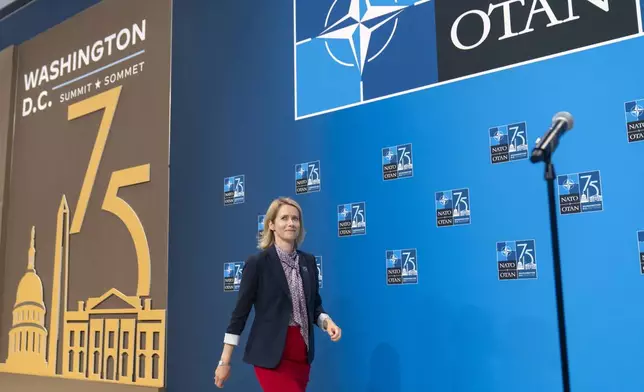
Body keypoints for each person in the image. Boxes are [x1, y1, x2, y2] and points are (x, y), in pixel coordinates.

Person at [214, 197, 342, 391]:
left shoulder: (308, 262)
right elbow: (239, 314)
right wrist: (224, 362)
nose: (291, 223)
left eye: (295, 219)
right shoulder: (258, 263)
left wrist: (327, 322)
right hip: (271, 357)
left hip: (302, 355)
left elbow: (314, 304)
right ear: (271, 224)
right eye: (284, 218)